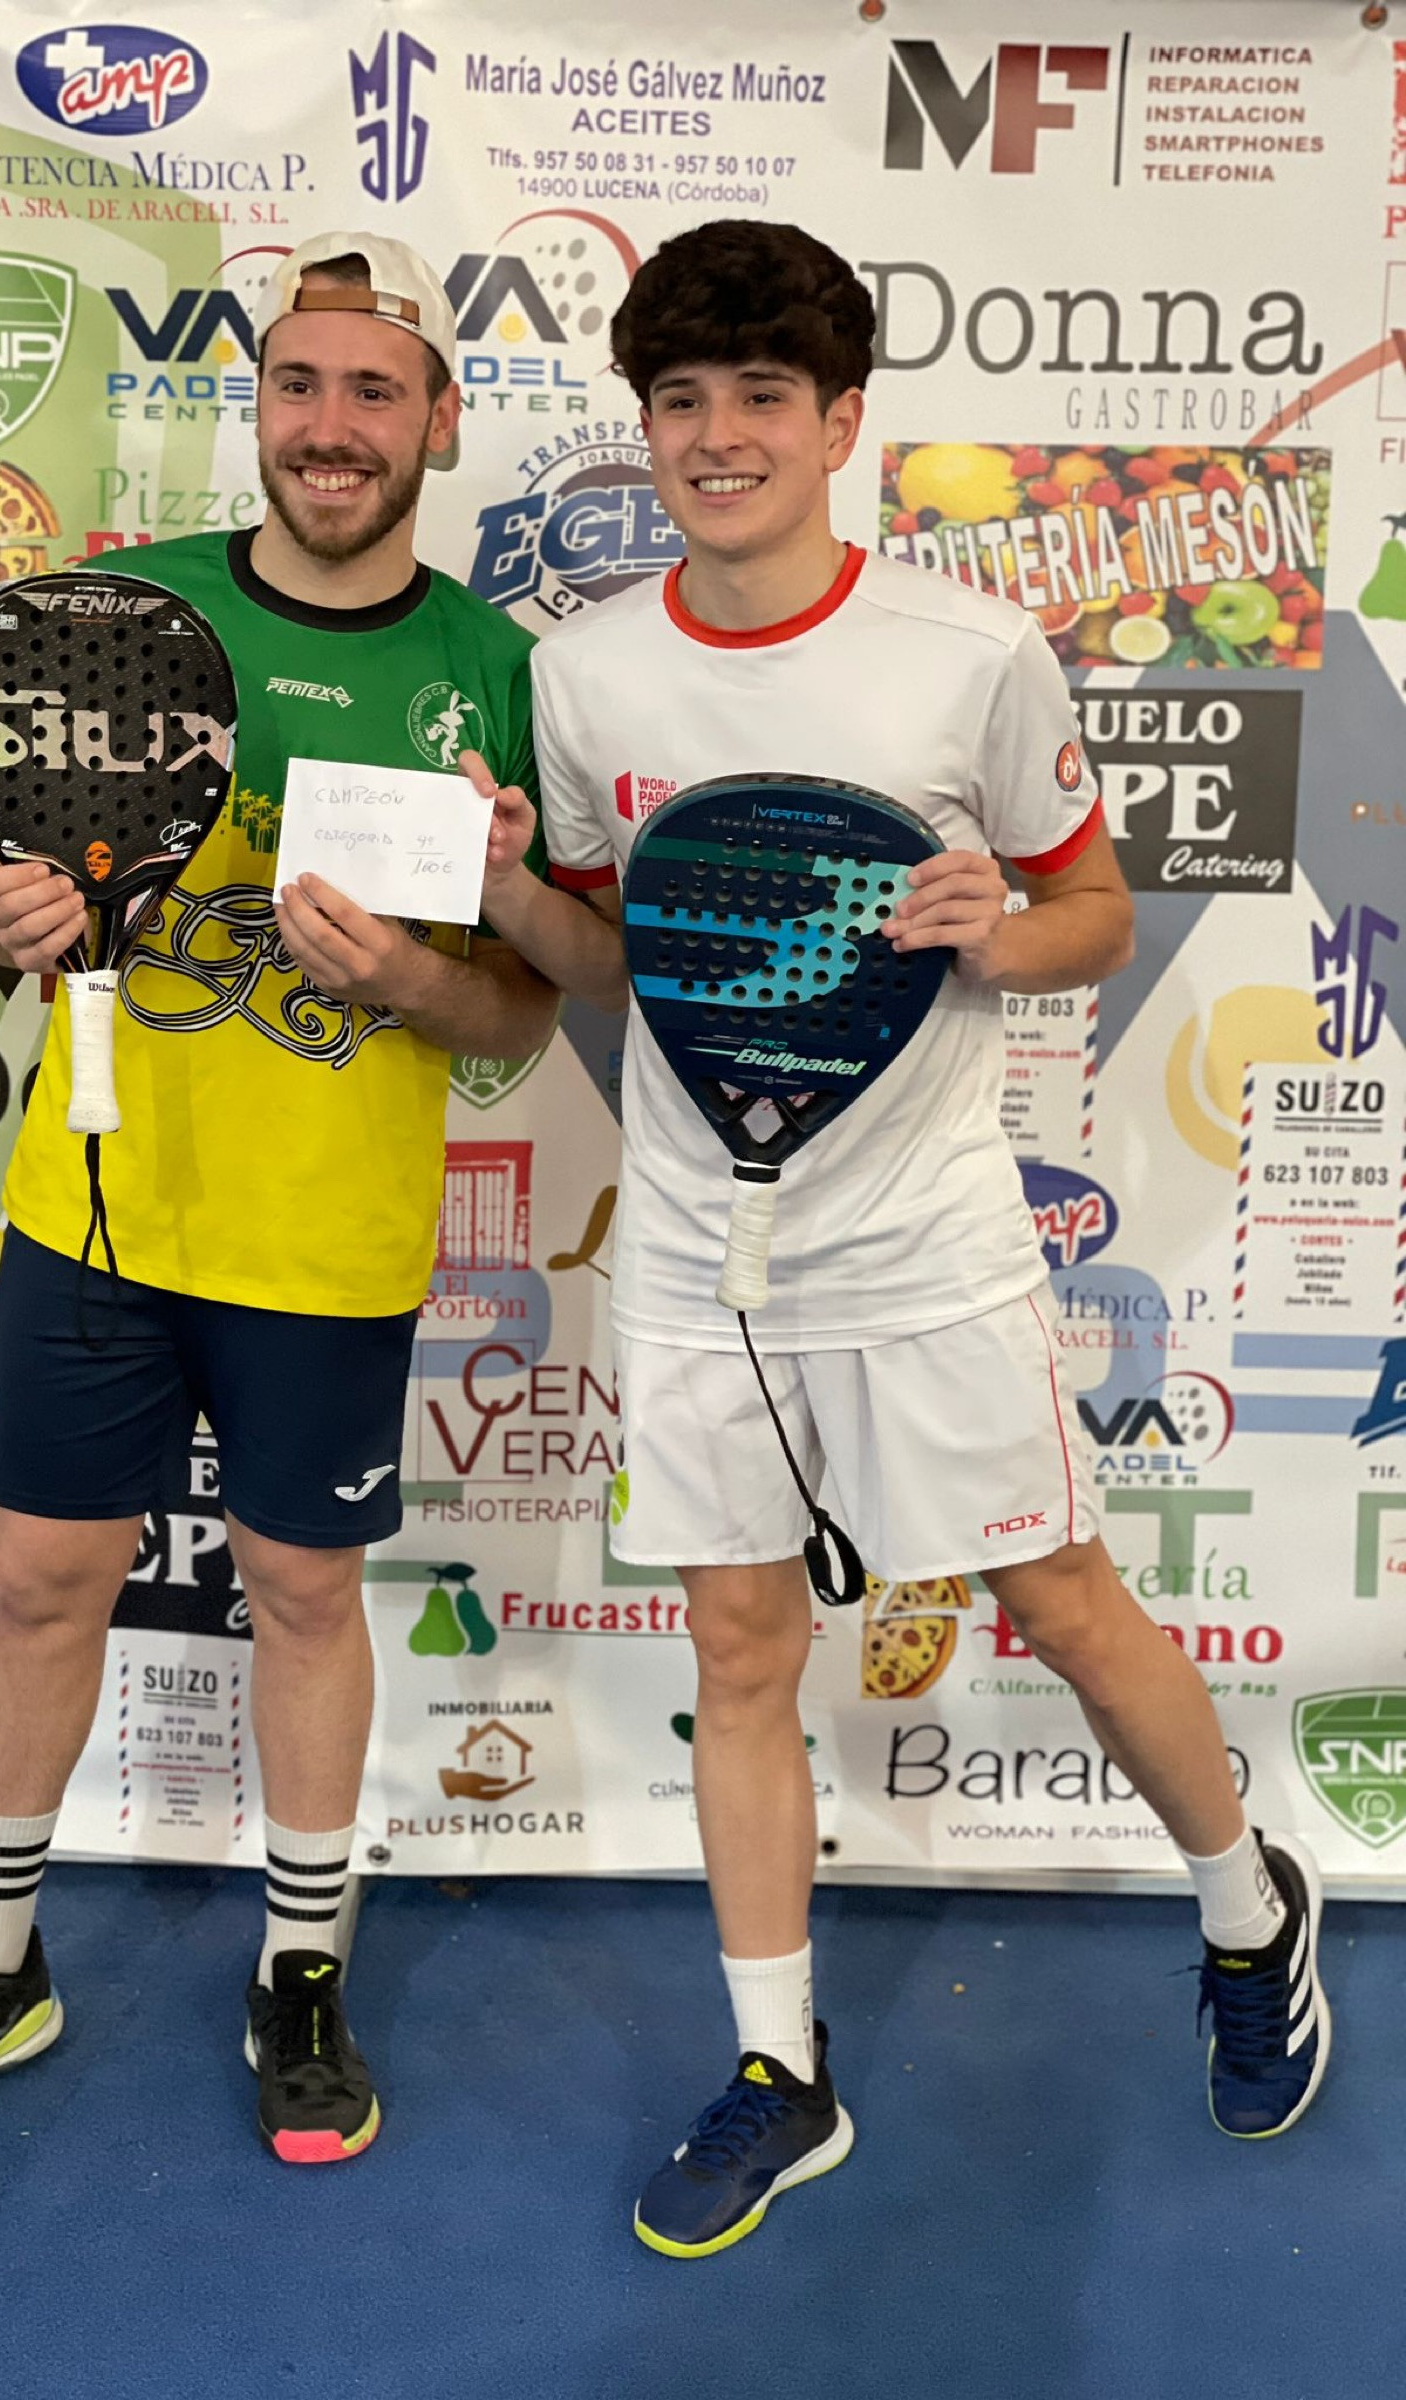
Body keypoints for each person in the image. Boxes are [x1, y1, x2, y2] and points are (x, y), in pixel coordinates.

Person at [472, 217, 1327, 2258]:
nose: (719, 438)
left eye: (763, 397)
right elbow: (610, 956)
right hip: (697, 1249)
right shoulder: (581, 674)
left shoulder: (970, 652)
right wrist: (509, 890)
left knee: (1065, 1602)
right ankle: (783, 2072)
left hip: (927, 1245)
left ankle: (1247, 1909)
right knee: (738, 1648)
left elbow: (1094, 916)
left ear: (844, 422)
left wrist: (995, 934)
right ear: (647, 425)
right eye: (682, 400)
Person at [0, 233, 556, 2162]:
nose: (332, 426)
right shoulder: (123, 609)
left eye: (374, 391)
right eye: (298, 385)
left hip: (326, 1234)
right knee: (43, 1583)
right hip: (97, 1211)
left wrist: (412, 984)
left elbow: (528, 1007)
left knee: (305, 1592)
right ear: (259, 406)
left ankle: (300, 1970)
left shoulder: (499, 675)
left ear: (440, 421)